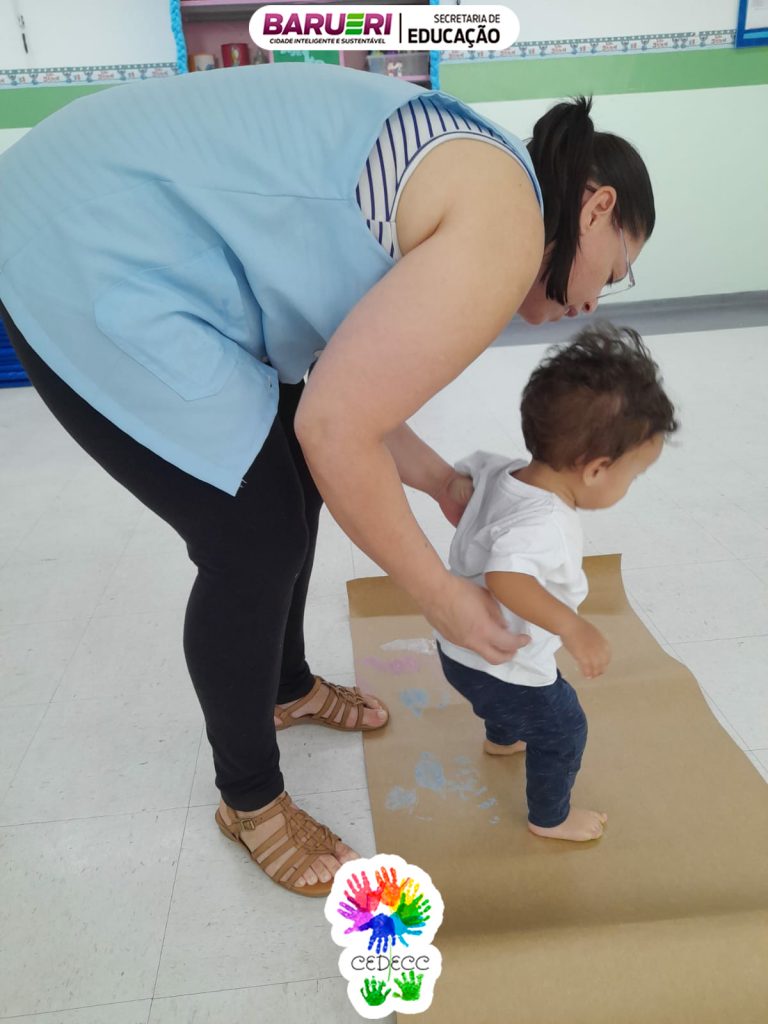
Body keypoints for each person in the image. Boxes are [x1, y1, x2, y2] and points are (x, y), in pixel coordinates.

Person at [0, 61, 655, 895]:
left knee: (294, 479)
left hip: (126, 217)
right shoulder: (509, 231)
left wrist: (436, 480)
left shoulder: (495, 182)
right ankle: (250, 800)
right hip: (80, 239)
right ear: (596, 208)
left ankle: (286, 688)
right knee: (254, 539)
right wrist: (439, 594)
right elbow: (338, 429)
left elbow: (345, 383)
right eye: (616, 269)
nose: (596, 301)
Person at [435, 323, 679, 841]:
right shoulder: (545, 523)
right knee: (564, 729)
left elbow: (461, 480)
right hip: (503, 663)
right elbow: (506, 576)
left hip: (459, 650)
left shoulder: (498, 469)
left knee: (512, 706)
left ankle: (502, 739)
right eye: (632, 476)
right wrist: (571, 626)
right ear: (596, 470)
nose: (629, 486)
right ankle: (551, 818)